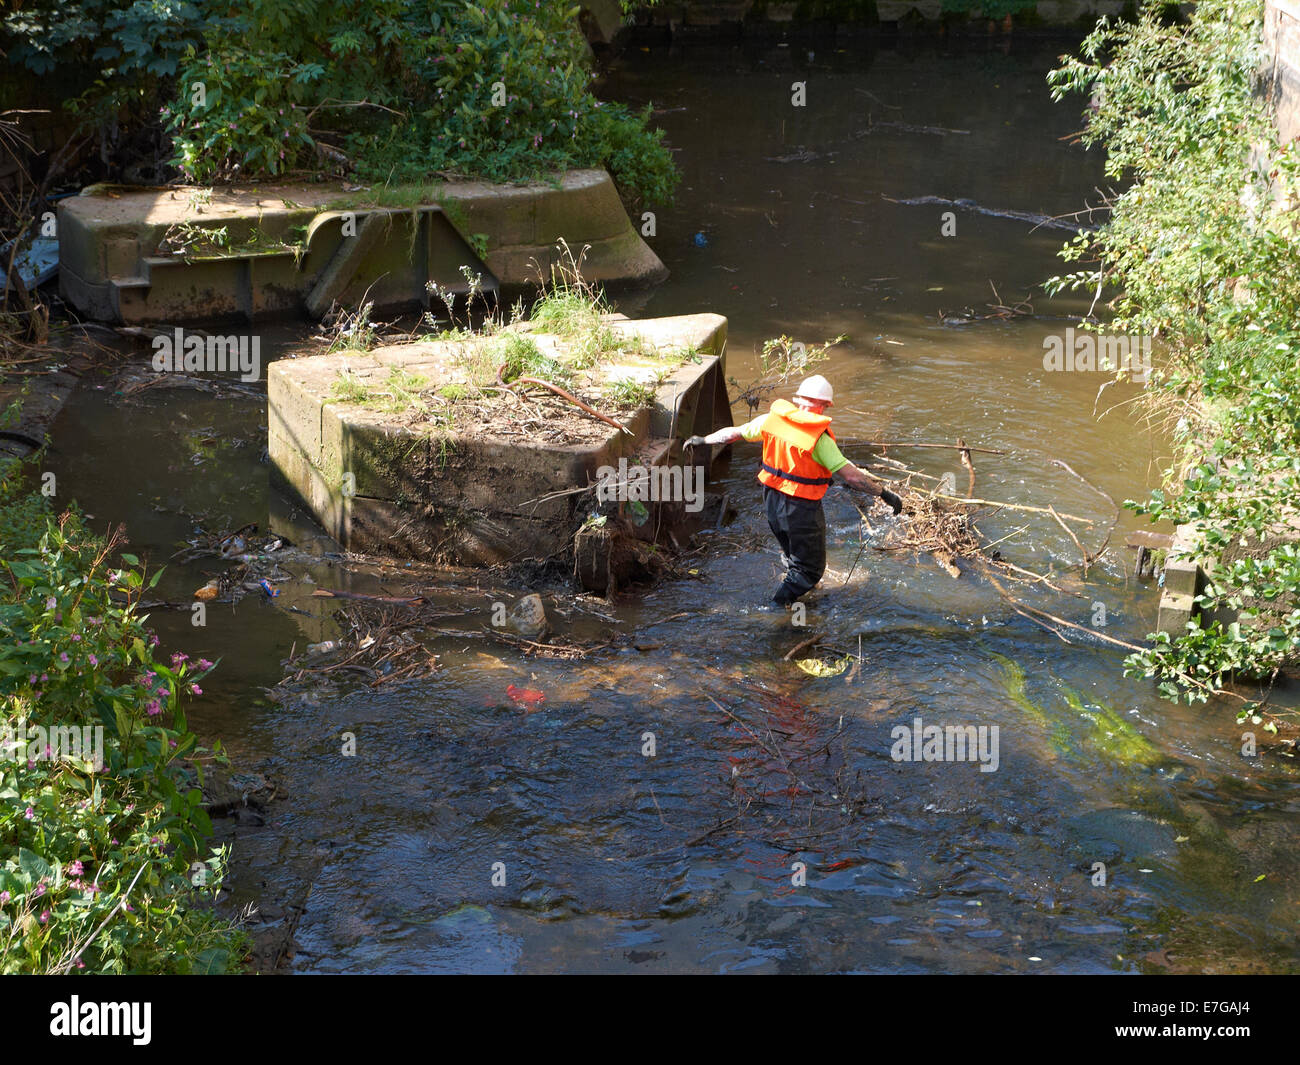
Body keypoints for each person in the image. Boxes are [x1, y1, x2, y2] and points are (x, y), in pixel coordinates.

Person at [686, 374, 902, 607]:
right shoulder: (819, 439)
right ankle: (779, 606)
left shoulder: (771, 420)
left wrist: (702, 440)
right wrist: (884, 494)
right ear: (825, 405)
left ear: (798, 399)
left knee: (791, 554)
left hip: (771, 501)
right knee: (810, 570)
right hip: (800, 508)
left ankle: (795, 587)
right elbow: (852, 477)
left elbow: (732, 434)